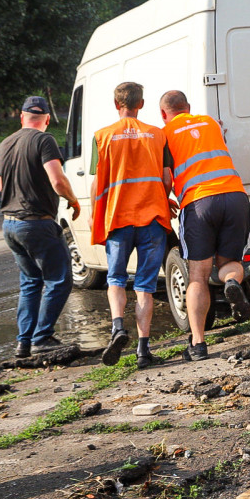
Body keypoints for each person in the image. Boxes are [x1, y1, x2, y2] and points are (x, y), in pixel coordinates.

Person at [159, 90, 250, 361]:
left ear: (163, 114)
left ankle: (198, 344)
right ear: (188, 107)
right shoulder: (211, 122)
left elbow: (166, 178)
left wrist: (165, 200)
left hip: (199, 203)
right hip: (235, 196)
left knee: (198, 276)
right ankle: (232, 282)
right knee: (229, 263)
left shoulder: (164, 134)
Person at [91, 81, 171, 368]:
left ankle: (117, 328)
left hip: (118, 218)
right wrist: (163, 199)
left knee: (115, 279)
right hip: (152, 219)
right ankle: (143, 351)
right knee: (145, 286)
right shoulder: (157, 134)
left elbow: (96, 183)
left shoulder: (102, 136)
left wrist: (94, 213)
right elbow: (166, 179)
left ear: (116, 104)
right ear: (142, 104)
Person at [0, 95, 81, 358]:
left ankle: (24, 342)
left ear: (22, 117)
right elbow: (58, 180)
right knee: (59, 280)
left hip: (10, 225)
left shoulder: (4, 144)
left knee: (31, 282)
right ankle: (42, 338)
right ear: (47, 119)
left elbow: (0, 187)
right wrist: (73, 200)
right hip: (36, 224)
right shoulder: (44, 140)